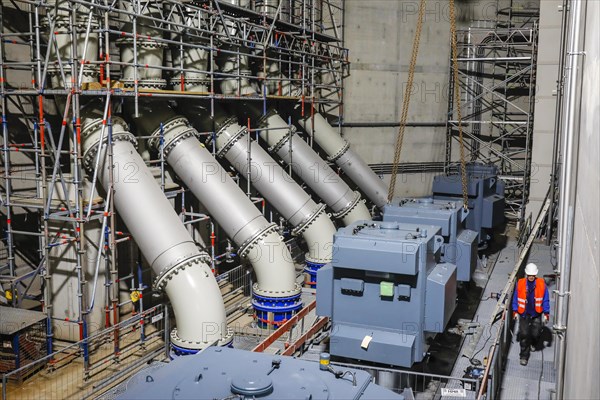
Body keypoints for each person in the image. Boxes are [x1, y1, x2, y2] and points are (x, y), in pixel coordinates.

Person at [512, 263, 550, 366]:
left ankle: (533, 342)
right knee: (524, 334)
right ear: (526, 274)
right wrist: (515, 311)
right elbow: (516, 298)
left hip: (536, 313)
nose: (531, 277)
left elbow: (545, 299)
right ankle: (524, 356)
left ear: (536, 274)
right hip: (524, 313)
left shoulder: (541, 284)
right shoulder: (520, 283)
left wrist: (546, 313)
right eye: (529, 275)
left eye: (533, 275)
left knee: (536, 333)